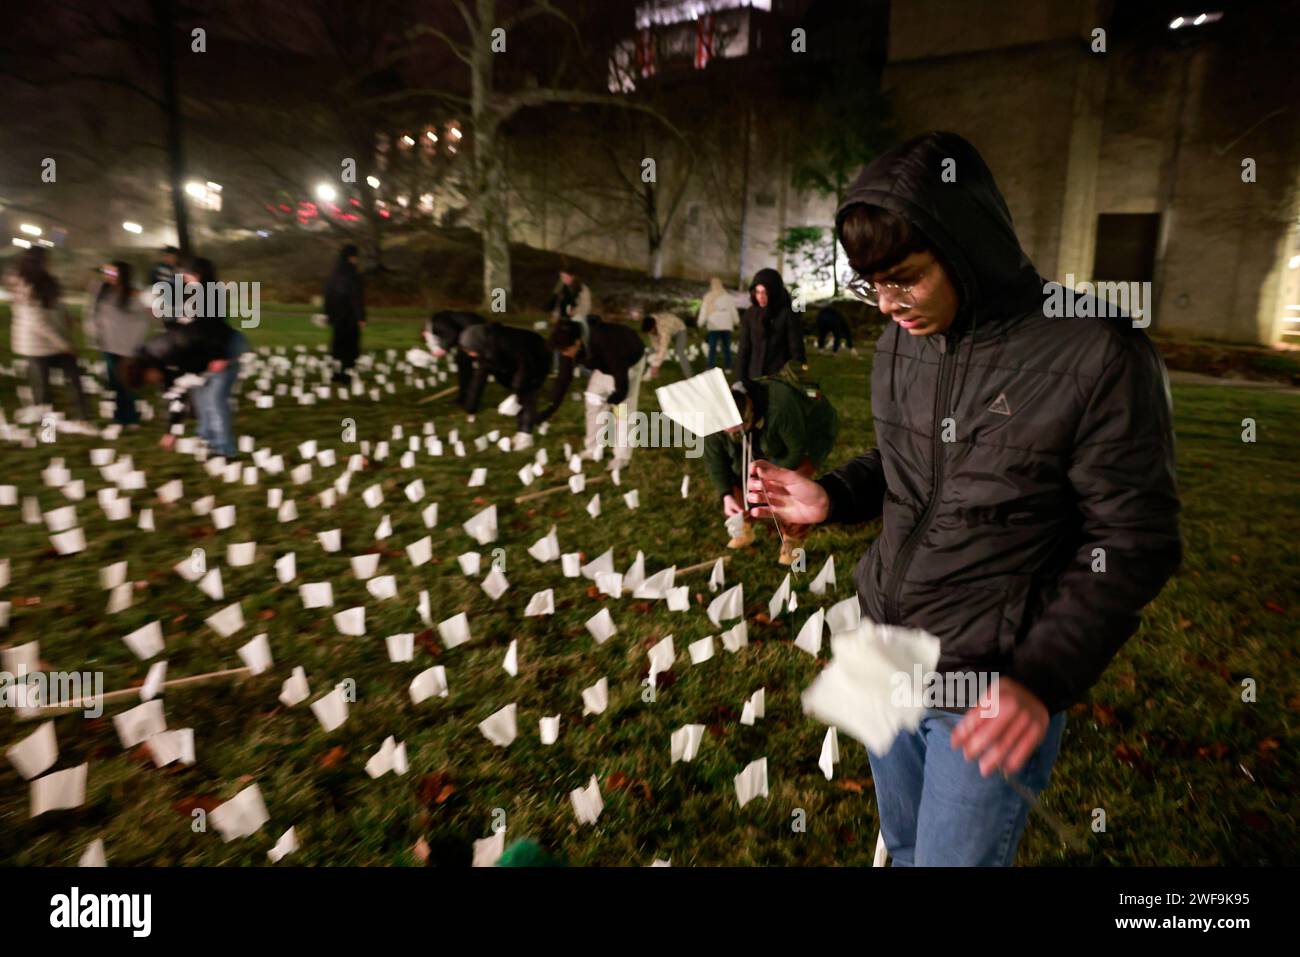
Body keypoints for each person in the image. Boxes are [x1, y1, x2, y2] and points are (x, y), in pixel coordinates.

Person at [747, 131, 1181, 867]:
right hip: (887, 648)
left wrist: (1041, 677)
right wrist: (835, 495)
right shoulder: (902, 339)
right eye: (871, 284)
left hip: (988, 675)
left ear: (968, 247)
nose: (887, 305)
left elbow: (1134, 540)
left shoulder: (1097, 353)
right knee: (907, 845)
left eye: (906, 278)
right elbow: (905, 461)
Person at [703, 368, 838, 564]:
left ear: (748, 413)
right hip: (761, 438)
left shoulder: (780, 407)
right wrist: (726, 495)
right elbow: (715, 460)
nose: (733, 435)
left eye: (737, 430)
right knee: (741, 474)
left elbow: (795, 451)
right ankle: (743, 525)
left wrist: (770, 479)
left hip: (809, 433)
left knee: (792, 486)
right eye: (728, 432)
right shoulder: (715, 421)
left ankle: (793, 538)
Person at [123, 257, 249, 457]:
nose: (186, 278)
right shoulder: (161, 359)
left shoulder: (210, 295)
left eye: (190, 274)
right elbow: (175, 393)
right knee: (200, 397)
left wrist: (219, 357)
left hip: (224, 348)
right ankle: (208, 438)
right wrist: (171, 431)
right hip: (204, 352)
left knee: (214, 399)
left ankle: (224, 450)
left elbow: (210, 329)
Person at [542, 316, 646, 470]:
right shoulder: (569, 344)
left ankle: (621, 457)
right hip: (605, 365)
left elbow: (619, 371)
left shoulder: (605, 340)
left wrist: (617, 396)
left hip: (628, 362)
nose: (564, 354)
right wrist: (551, 407)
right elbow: (564, 377)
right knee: (593, 399)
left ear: (577, 342)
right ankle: (593, 448)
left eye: (565, 350)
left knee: (623, 412)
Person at [5, 247, 89, 423]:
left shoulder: (49, 280)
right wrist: (64, 344)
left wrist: (67, 317)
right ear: (37, 261)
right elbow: (38, 323)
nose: (49, 262)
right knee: (43, 391)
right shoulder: (24, 285)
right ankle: (48, 433)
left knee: (74, 379)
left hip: (55, 341)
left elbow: (58, 304)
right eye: (46, 259)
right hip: (36, 346)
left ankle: (83, 419)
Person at [456, 321, 551, 444]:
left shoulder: (507, 342)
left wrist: (516, 391)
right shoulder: (485, 350)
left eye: (470, 350)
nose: (470, 354)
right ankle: (525, 426)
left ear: (477, 343)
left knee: (527, 393)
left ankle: (525, 434)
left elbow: (525, 366)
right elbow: (479, 379)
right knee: (520, 395)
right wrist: (471, 408)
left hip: (537, 356)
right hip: (514, 364)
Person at [85, 261, 154, 426]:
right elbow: (92, 313)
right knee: (115, 381)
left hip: (128, 346)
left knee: (126, 381)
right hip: (108, 344)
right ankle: (121, 415)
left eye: (113, 273)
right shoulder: (100, 290)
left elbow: (148, 314)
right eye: (107, 272)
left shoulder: (133, 294)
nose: (108, 275)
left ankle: (129, 417)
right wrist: (94, 334)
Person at [735, 267, 805, 386]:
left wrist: (799, 378)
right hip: (754, 378)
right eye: (757, 292)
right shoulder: (750, 314)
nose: (760, 296)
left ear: (773, 292)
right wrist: (740, 381)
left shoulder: (787, 314)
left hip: (779, 380)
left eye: (764, 292)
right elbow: (744, 350)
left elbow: (796, 350)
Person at [424, 309, 485, 407]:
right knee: (463, 363)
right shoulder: (438, 319)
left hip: (476, 333)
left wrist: (443, 349)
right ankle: (464, 396)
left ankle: (466, 399)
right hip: (476, 330)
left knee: (465, 364)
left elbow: (452, 334)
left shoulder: (436, 324)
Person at [324, 244, 365, 383]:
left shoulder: (334, 274)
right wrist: (360, 317)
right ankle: (346, 375)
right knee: (350, 347)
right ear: (352, 257)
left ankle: (335, 373)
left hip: (336, 316)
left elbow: (328, 295)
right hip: (350, 317)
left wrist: (328, 314)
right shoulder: (353, 275)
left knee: (338, 346)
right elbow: (356, 297)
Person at [697, 276, 740, 370]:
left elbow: (704, 311)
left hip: (714, 326)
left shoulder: (708, 297)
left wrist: (700, 322)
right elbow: (733, 311)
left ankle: (710, 366)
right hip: (726, 326)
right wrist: (737, 321)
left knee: (712, 348)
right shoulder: (727, 297)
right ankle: (728, 367)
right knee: (726, 348)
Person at [544, 269, 592, 348]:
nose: (563, 279)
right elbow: (558, 305)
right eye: (562, 277)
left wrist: (575, 312)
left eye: (565, 277)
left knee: (583, 333)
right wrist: (555, 315)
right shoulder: (561, 289)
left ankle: (585, 348)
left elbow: (586, 306)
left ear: (572, 277)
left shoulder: (582, 289)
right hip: (563, 319)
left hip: (577, 318)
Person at [639, 309, 692, 380]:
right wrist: (656, 354)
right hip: (668, 328)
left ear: (653, 327)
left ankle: (690, 376)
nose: (650, 334)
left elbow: (663, 347)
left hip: (679, 329)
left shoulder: (664, 327)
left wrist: (656, 365)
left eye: (650, 332)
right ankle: (651, 374)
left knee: (680, 352)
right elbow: (655, 343)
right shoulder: (650, 324)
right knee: (653, 351)